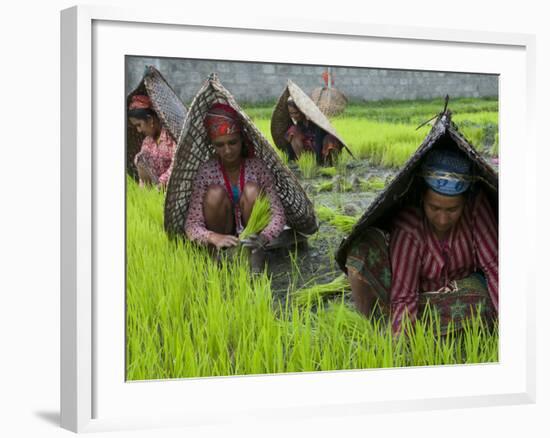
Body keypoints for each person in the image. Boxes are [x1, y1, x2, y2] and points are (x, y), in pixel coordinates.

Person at [346, 148, 498, 335]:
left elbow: (495, 269)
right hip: (418, 299)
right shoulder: (410, 226)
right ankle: (377, 327)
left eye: (452, 210)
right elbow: (404, 295)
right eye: (434, 208)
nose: (442, 219)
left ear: (465, 203)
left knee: (480, 300)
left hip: (461, 296)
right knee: (362, 253)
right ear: (422, 198)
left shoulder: (476, 210)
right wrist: (400, 349)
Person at [184, 103, 286, 253]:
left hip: (254, 235)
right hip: (222, 232)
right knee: (214, 193)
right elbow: (192, 224)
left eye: (232, 142)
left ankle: (254, 251)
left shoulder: (257, 167)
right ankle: (221, 252)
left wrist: (263, 237)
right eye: (220, 145)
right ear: (213, 145)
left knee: (252, 190)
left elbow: (278, 213)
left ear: (242, 140)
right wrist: (214, 237)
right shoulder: (206, 171)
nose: (227, 150)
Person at [128, 94, 176, 189]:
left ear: (150, 120)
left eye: (139, 125)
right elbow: (144, 172)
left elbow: (176, 165)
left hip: (172, 186)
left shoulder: (170, 138)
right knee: (140, 158)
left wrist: (161, 184)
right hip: (154, 190)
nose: (139, 130)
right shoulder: (147, 142)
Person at [285, 97, 343, 165]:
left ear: (302, 111)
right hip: (308, 153)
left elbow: (318, 141)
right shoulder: (298, 125)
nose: (293, 116)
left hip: (321, 151)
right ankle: (303, 162)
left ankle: (329, 163)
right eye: (291, 113)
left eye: (296, 113)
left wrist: (317, 163)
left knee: (330, 139)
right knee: (292, 131)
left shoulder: (316, 122)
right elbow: (289, 144)